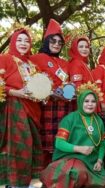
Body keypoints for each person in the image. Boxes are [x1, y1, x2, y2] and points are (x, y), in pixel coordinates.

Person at [40, 83, 105, 188]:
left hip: (91, 161)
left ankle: (76, 183)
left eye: (93, 101)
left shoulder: (99, 121)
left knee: (101, 181)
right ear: (80, 102)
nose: (90, 104)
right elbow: (59, 143)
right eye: (86, 101)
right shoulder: (70, 119)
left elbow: (101, 144)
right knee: (73, 172)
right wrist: (78, 149)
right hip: (69, 157)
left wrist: (99, 161)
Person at [0, 29, 44, 188]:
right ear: (13, 42)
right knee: (18, 145)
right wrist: (17, 93)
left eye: (27, 40)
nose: (23, 44)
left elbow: (40, 87)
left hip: (33, 109)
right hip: (14, 106)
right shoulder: (5, 59)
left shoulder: (33, 65)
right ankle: (12, 187)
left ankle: (25, 184)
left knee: (31, 144)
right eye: (19, 40)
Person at [30, 19, 72, 167]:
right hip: (46, 106)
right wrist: (50, 92)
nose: (56, 45)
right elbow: (32, 81)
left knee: (62, 138)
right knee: (46, 143)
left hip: (65, 107)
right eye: (53, 41)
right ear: (47, 41)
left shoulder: (65, 63)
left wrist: (70, 90)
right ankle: (43, 172)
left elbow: (68, 82)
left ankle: (59, 170)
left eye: (60, 43)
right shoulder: (35, 59)